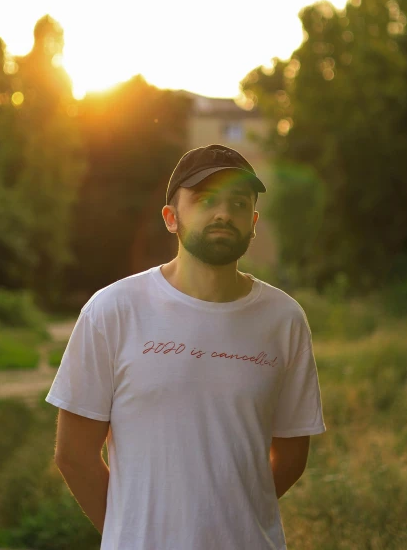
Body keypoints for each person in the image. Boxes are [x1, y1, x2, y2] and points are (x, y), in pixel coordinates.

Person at [46, 143, 326, 550]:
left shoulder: (284, 319)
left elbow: (291, 457)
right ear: (171, 217)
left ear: (253, 221)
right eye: (205, 200)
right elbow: (73, 455)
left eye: (238, 202)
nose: (223, 214)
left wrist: (230, 520)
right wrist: (133, 534)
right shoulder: (113, 310)